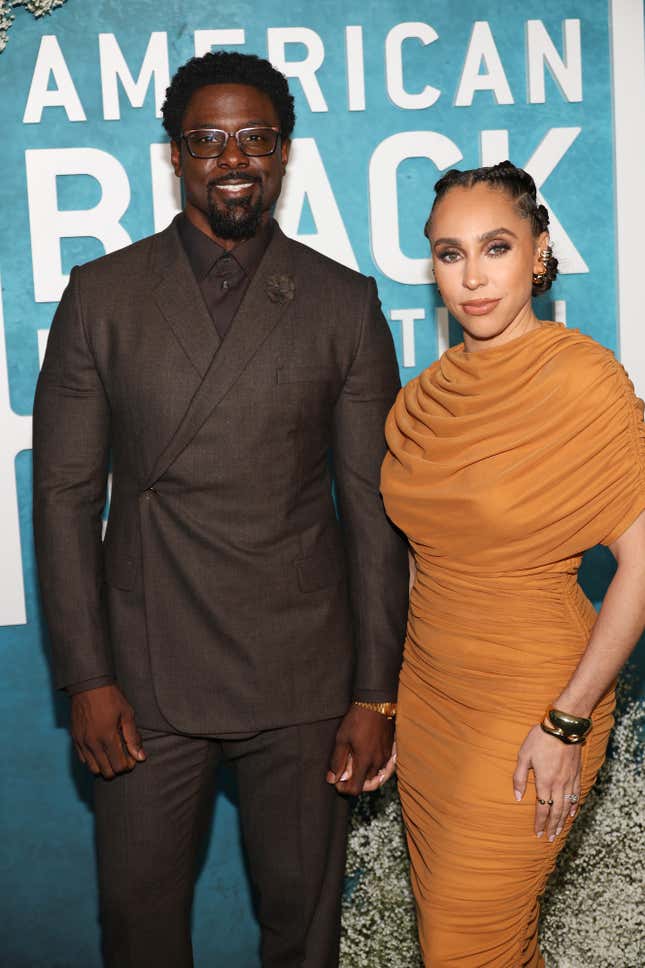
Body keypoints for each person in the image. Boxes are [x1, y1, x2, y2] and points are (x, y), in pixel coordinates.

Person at [33, 51, 408, 968]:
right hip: (144, 669)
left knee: (300, 927)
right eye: (207, 139)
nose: (231, 158)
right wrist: (86, 677)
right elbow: (65, 498)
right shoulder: (102, 297)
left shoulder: (341, 303)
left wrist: (373, 692)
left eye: (254, 138)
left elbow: (370, 512)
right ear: (174, 153)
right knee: (140, 925)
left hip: (302, 675)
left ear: (283, 153)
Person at [380, 160, 645, 967]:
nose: (471, 276)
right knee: (464, 944)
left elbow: (639, 565)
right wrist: (388, 699)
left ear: (537, 252)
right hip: (429, 700)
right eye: (449, 253)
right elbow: (422, 564)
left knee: (467, 944)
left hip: (535, 702)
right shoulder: (422, 398)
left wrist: (566, 719)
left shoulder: (581, 380)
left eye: (494, 247)